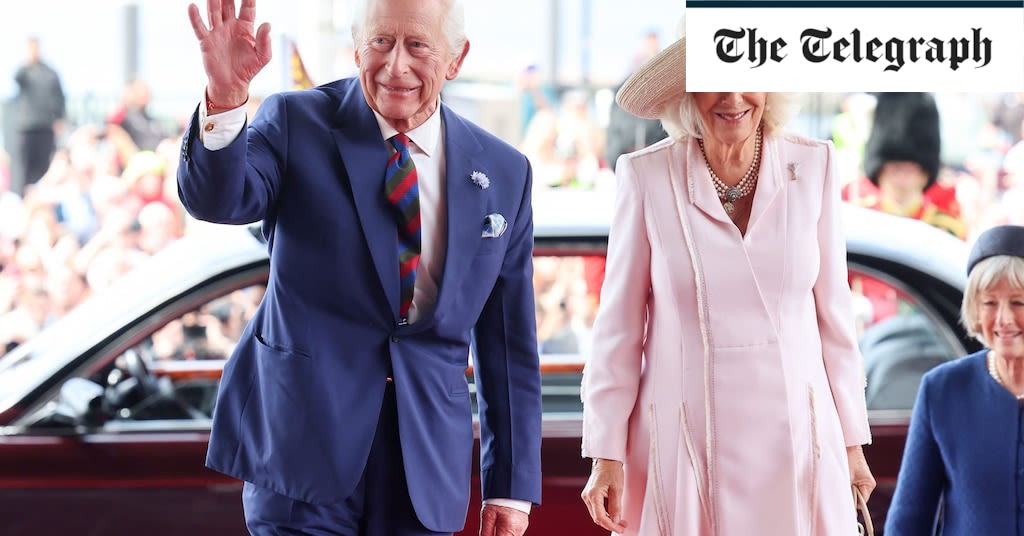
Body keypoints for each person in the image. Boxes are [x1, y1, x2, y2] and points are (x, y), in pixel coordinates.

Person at [178, 1, 541, 535]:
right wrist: (227, 100)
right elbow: (218, 199)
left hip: (426, 468)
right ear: (355, 48)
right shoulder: (295, 123)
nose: (396, 66)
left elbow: (507, 343)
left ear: (456, 58)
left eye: (417, 45)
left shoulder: (505, 172)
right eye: (380, 43)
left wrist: (510, 486)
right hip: (301, 449)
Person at [579, 24, 876, 536]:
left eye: (749, 77)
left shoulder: (815, 165)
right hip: (686, 440)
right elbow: (618, 332)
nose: (734, 97)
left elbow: (836, 323)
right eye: (716, 78)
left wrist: (852, 443)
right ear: (688, 88)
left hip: (802, 442)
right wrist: (606, 452)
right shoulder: (647, 177)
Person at [884, 224, 1024, 535]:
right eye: (989, 303)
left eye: (1018, 303)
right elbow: (910, 518)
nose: (1004, 319)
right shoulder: (943, 389)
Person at [845, 92, 966, 240]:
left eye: (911, 166)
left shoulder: (946, 227)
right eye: (894, 165)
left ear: (925, 172)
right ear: (880, 170)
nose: (902, 169)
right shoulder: (858, 218)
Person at [9, 36, 66, 197]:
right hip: (26, 126)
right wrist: (27, 61)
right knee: (24, 165)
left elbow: (59, 97)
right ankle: (22, 198)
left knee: (43, 165)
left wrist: (59, 118)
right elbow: (16, 78)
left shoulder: (50, 72)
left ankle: (40, 197)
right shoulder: (25, 70)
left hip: (45, 126)